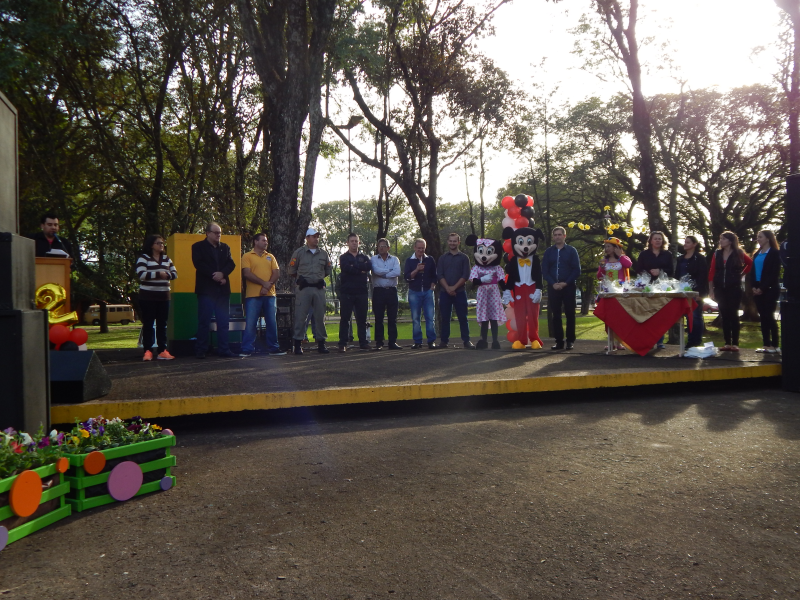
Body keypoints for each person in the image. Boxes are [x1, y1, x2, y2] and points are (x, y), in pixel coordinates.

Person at [192, 222, 237, 358]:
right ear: (208, 233)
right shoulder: (198, 247)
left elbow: (231, 263)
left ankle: (224, 349)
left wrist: (222, 274)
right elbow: (198, 264)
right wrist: (215, 275)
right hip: (206, 291)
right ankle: (201, 350)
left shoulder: (225, 247)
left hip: (222, 291)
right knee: (204, 322)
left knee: (223, 322)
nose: (219, 235)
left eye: (220, 233)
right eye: (216, 232)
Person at [240, 233, 286, 357]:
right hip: (253, 296)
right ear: (255, 241)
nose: (266, 242)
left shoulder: (270, 256)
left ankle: (273, 348)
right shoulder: (247, 256)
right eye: (263, 240)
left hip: (270, 295)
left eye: (266, 241)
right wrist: (263, 284)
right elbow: (247, 274)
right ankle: (247, 349)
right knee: (251, 322)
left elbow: (276, 273)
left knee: (271, 322)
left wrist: (268, 286)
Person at [287, 228, 332, 355]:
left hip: (318, 288)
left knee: (319, 317)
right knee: (301, 317)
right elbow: (291, 270)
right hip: (304, 289)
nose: (316, 239)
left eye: (317, 236)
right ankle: (297, 344)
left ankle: (321, 343)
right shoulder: (299, 252)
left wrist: (319, 279)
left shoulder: (323, 254)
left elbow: (328, 270)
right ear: (307, 238)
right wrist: (301, 280)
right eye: (313, 236)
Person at [708, 231, 753, 352]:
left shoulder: (738, 253)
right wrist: (711, 289)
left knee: (733, 315)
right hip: (720, 288)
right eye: (720, 238)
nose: (720, 241)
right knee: (725, 315)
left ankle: (735, 343)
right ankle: (727, 342)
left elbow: (750, 263)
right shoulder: (717, 253)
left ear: (730, 241)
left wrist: (741, 274)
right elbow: (712, 270)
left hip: (734, 288)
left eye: (723, 239)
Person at [136, 234, 177, 361]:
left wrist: (167, 275)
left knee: (162, 324)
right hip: (147, 296)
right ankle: (148, 351)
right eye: (158, 243)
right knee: (148, 323)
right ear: (151, 245)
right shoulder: (144, 258)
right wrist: (158, 273)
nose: (161, 245)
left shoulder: (166, 258)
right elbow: (141, 274)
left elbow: (174, 273)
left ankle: (162, 350)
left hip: (164, 296)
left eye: (162, 243)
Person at [541, 226, 582, 350]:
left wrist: (566, 283)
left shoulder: (571, 251)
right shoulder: (549, 252)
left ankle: (570, 341)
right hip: (553, 287)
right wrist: (553, 283)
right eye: (555, 235)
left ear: (564, 236)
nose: (557, 237)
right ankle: (559, 341)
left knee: (570, 313)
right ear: (553, 237)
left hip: (568, 286)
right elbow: (545, 270)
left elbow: (577, 270)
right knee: (556, 314)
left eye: (560, 234)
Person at [436, 233, 474, 349]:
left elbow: (465, 275)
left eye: (454, 241)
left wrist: (454, 287)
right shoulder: (442, 258)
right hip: (444, 292)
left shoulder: (464, 258)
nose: (452, 243)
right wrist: (448, 288)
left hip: (460, 292)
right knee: (445, 318)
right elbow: (440, 275)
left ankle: (466, 341)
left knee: (463, 317)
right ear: (447, 242)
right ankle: (444, 341)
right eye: (450, 241)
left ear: (458, 242)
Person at [636, 231, 674, 349]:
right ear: (650, 241)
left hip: (662, 288)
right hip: (647, 287)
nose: (658, 240)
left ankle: (660, 341)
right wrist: (648, 273)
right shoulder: (644, 254)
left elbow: (672, 271)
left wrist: (660, 271)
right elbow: (638, 269)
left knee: (660, 315)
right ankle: (647, 340)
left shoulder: (667, 254)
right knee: (647, 314)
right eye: (655, 239)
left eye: (660, 239)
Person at [338, 233, 373, 352]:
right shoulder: (343, 257)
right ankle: (343, 343)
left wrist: (355, 267)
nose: (354, 243)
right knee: (345, 319)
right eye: (352, 241)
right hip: (347, 292)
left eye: (356, 241)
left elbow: (369, 266)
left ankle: (363, 342)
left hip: (362, 292)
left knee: (362, 319)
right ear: (347, 243)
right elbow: (346, 268)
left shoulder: (365, 257)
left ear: (359, 242)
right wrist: (360, 269)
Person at [597, 237, 632, 351]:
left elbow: (628, 264)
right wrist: (602, 268)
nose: (606, 249)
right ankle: (610, 342)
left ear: (616, 248)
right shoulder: (604, 261)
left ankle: (619, 342)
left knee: (620, 318)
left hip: (620, 293)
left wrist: (620, 255)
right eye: (605, 247)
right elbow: (599, 276)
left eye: (609, 246)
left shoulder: (623, 259)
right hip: (608, 293)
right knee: (609, 319)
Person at [750, 230, 782, 354]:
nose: (758, 239)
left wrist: (762, 288)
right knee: (762, 317)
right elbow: (752, 272)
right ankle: (766, 344)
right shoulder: (757, 253)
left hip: (770, 289)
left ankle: (775, 345)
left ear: (768, 238)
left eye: (760, 237)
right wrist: (753, 287)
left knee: (769, 316)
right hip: (757, 288)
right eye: (757, 237)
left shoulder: (775, 253)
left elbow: (773, 273)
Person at [676, 236, 708, 348]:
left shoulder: (700, 258)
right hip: (681, 292)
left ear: (694, 244)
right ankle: (687, 341)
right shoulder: (680, 258)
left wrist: (701, 293)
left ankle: (695, 341)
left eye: (688, 242)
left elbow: (703, 276)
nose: (685, 244)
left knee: (695, 316)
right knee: (684, 317)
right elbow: (677, 275)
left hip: (695, 292)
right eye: (684, 242)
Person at [404, 238, 437, 349]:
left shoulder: (430, 259)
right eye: (419, 248)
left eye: (422, 248)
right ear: (414, 248)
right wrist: (416, 270)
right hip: (414, 292)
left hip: (428, 291)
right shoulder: (409, 261)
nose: (421, 250)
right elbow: (407, 277)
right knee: (415, 318)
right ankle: (418, 341)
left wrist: (433, 286)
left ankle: (431, 341)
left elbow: (434, 275)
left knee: (430, 318)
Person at [371, 238, 403, 350]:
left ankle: (392, 342)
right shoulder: (373, 259)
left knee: (392, 318)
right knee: (378, 318)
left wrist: (384, 274)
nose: (381, 248)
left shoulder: (395, 259)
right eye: (379, 246)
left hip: (391, 291)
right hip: (378, 291)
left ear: (388, 248)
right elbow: (376, 271)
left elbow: (397, 272)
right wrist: (390, 271)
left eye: (383, 246)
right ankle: (379, 343)